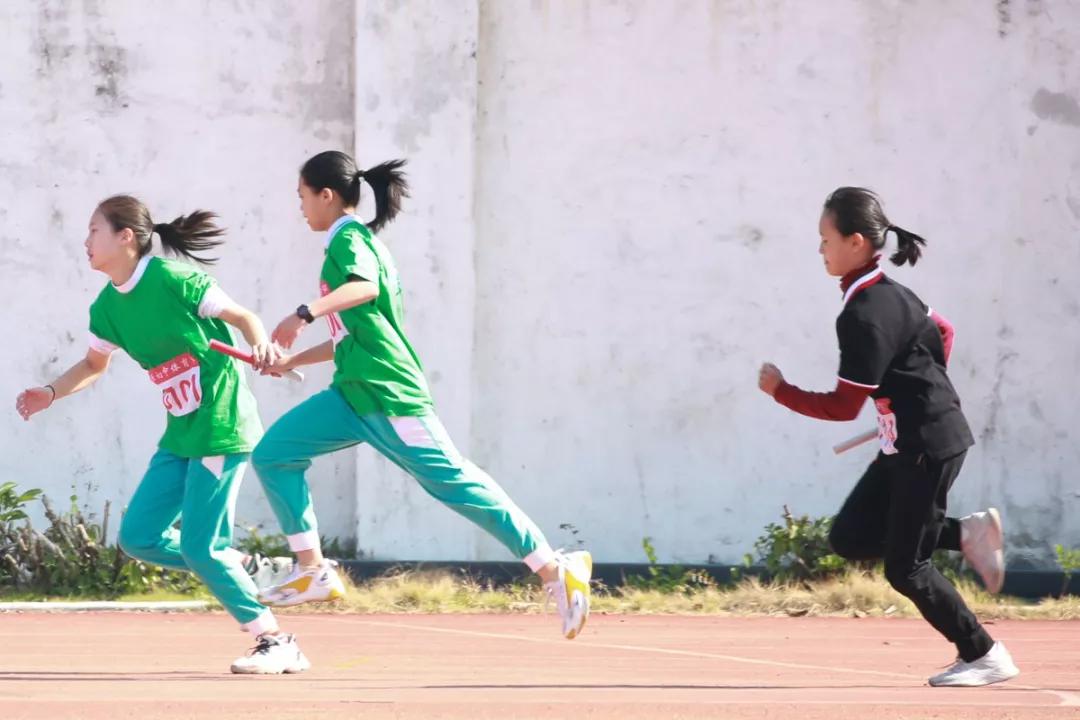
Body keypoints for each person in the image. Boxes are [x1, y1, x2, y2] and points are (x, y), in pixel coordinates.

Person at [251, 150, 592, 639]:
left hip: (389, 394)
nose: (300, 207)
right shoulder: (344, 245)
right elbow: (350, 333)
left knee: (451, 481)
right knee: (274, 455)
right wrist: (292, 360)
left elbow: (363, 290)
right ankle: (312, 568)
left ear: (326, 196)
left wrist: (301, 314)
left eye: (302, 197)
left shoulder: (348, 240)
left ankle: (554, 566)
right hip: (352, 394)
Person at [15, 195, 308, 674]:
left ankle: (275, 640)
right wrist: (50, 392)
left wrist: (261, 347)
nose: (85, 241)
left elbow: (243, 318)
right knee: (139, 536)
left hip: (221, 423)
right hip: (181, 433)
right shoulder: (107, 307)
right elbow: (93, 364)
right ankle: (238, 564)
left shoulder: (174, 279)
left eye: (94, 230)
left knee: (198, 546)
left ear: (125, 237)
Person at [757, 187, 1017, 687]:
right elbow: (943, 331)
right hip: (909, 442)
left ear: (856, 242)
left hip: (927, 446)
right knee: (849, 536)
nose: (820, 250)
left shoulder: (863, 314)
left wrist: (780, 391)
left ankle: (984, 653)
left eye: (825, 239)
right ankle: (964, 533)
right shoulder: (891, 291)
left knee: (906, 568)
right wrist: (911, 385)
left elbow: (840, 406)